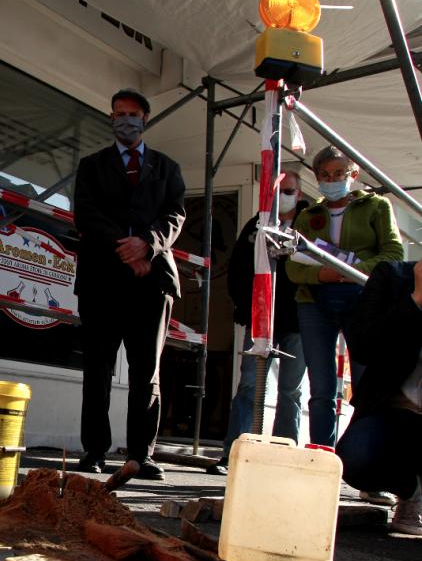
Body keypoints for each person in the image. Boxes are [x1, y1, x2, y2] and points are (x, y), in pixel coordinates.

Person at [72, 88, 186, 481]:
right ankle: (94, 451)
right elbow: (85, 214)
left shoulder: (168, 168)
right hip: (102, 280)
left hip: (151, 282)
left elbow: (175, 215)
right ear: (111, 118)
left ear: (145, 118)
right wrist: (127, 249)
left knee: (146, 371)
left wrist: (148, 246)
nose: (126, 120)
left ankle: (142, 455)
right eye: (119, 113)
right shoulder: (91, 166)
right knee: (98, 368)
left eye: (133, 113)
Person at [286, 146, 404, 449]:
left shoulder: (377, 206)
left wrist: (346, 271)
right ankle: (320, 457)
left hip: (365, 301)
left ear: (353, 174)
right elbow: (292, 266)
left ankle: (363, 459)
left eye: (339, 173)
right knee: (321, 387)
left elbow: (393, 254)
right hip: (315, 302)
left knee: (367, 385)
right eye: (324, 175)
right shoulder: (308, 214)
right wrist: (320, 276)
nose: (332, 179)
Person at [208, 167, 308, 476]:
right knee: (250, 384)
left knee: (290, 390)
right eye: (278, 191)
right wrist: (243, 304)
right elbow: (238, 266)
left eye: (289, 191)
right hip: (262, 317)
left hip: (298, 319)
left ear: (300, 194)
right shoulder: (256, 223)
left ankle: (282, 458)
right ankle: (234, 453)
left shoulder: (310, 223)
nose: (284, 197)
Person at [336, 260, 422, 535]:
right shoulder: (393, 277)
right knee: (355, 460)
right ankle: (412, 490)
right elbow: (363, 345)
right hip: (395, 412)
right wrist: (416, 300)